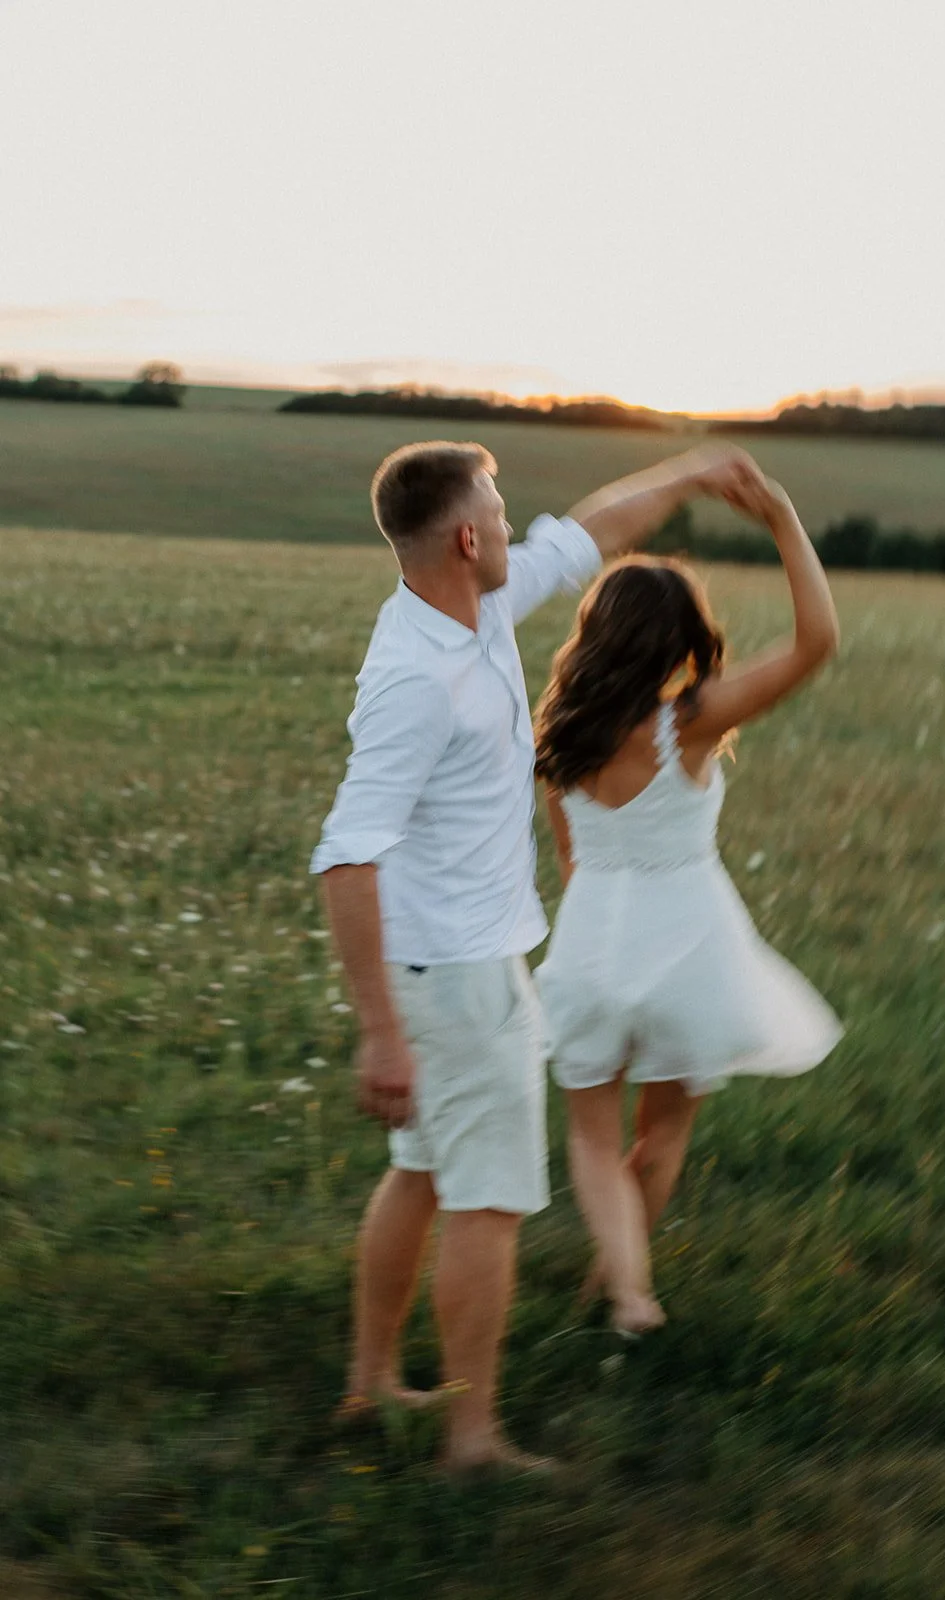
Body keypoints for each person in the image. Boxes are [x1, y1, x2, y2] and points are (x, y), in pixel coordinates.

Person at [310, 436, 755, 1474]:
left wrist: (689, 475)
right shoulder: (420, 677)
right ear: (468, 538)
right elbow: (345, 853)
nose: (516, 528)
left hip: (451, 968)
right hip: (457, 979)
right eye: (501, 516)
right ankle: (473, 1437)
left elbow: (589, 530)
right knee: (490, 1202)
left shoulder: (474, 612)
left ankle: (371, 1385)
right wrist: (382, 1032)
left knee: (419, 1176)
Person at [533, 460, 843, 1339]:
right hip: (689, 948)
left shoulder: (558, 736)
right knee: (659, 1136)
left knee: (592, 1139)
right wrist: (782, 517)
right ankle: (625, 1285)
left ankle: (622, 1286)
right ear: (681, 640)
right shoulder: (687, 724)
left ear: (594, 633)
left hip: (591, 946)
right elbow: (815, 644)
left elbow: (569, 862)